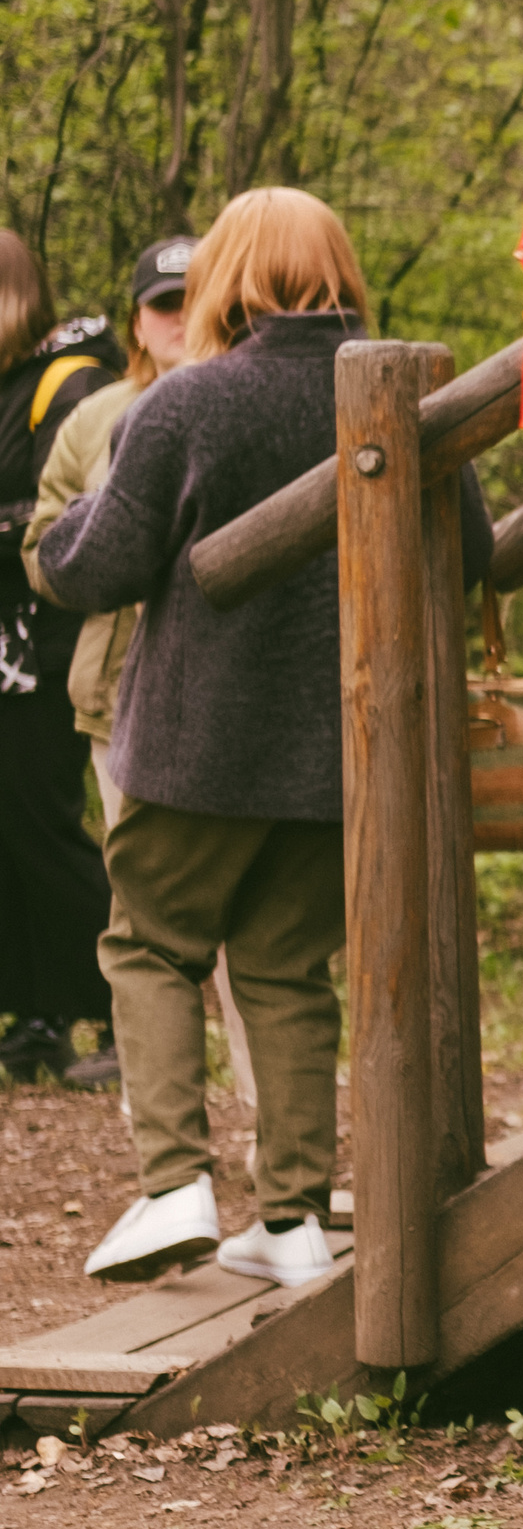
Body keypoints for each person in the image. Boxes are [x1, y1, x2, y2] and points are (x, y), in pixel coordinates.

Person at [39, 187, 493, 1286]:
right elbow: (471, 549)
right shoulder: (411, 387)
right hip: (337, 756)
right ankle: (290, 1218)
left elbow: (93, 567)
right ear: (337, 272)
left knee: (148, 948)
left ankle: (174, 1187)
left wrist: (45, 545)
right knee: (288, 974)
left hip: (193, 749)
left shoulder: (189, 404)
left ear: (227, 278)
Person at [22, 238, 216, 1098]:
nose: (176, 319)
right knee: (140, 897)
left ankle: (257, 1111)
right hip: (118, 686)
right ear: (137, 319)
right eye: (162, 304)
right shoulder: (95, 418)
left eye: (191, 300)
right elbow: (47, 548)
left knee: (246, 918)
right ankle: (159, 1099)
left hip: (229, 688)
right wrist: (112, 535)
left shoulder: (242, 399)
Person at [0, 231, 121, 1084]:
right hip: (4, 648)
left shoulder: (67, 383)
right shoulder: (9, 383)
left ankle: (118, 1002)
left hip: (45, 644)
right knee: (9, 831)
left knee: (45, 825)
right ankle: (38, 1013)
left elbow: (69, 515)